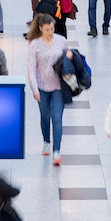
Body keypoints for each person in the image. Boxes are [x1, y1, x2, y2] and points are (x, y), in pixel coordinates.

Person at [26, 13, 71, 165]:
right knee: (45, 116)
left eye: (52, 28)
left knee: (57, 118)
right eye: (47, 29)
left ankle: (56, 151)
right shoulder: (35, 44)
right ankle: (46, 140)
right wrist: (34, 89)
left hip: (59, 85)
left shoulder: (61, 40)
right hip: (42, 86)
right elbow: (31, 69)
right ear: (40, 28)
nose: (50, 32)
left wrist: (70, 56)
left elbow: (68, 60)